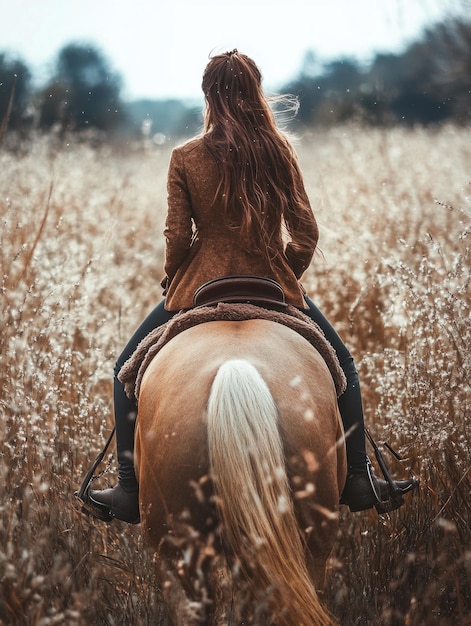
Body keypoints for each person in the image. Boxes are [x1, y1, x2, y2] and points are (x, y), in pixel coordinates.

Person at [89, 50, 417, 524]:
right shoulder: (279, 149)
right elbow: (306, 234)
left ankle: (126, 487)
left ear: (207, 95)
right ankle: (360, 478)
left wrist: (175, 275)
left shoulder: (185, 157)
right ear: (255, 91)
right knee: (343, 364)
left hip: (199, 284)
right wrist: (282, 275)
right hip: (271, 282)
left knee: (125, 369)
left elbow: (178, 236)